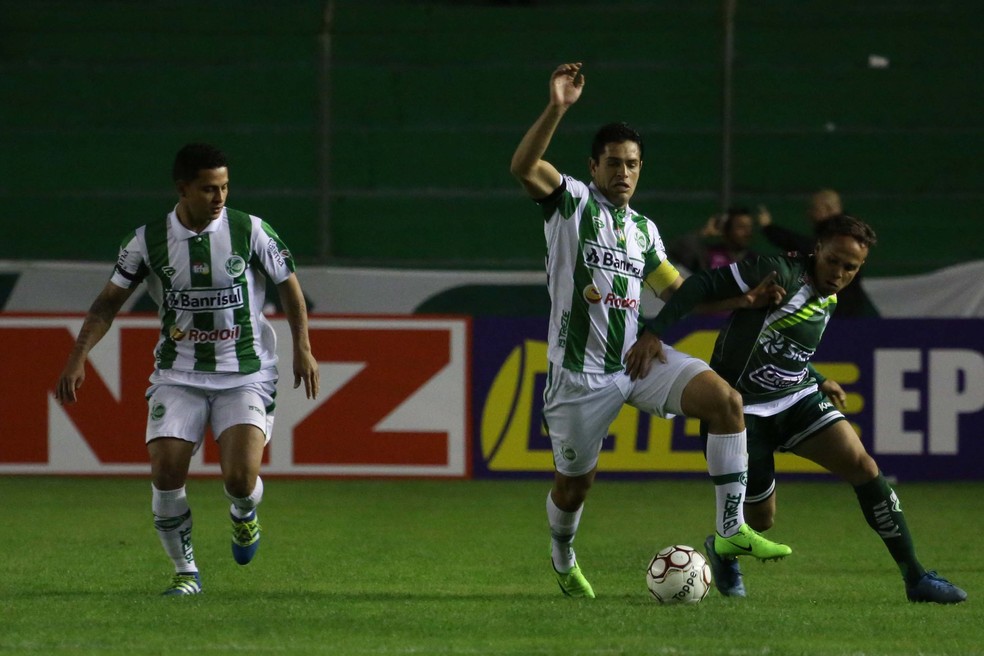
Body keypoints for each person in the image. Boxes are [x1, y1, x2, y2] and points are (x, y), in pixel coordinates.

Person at [509, 62, 792, 599]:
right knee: (574, 487)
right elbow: (524, 165)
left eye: (632, 164)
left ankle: (730, 532)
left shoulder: (644, 230)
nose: (624, 171)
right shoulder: (569, 202)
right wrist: (558, 108)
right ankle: (563, 554)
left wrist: (743, 299)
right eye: (613, 163)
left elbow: (676, 291)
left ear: (641, 170)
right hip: (579, 377)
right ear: (593, 166)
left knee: (726, 402)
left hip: (636, 360)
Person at [642, 213, 967, 604]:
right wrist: (654, 333)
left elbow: (785, 345)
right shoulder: (776, 272)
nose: (839, 272)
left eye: (851, 267)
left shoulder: (829, 294)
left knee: (864, 467)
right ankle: (724, 546)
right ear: (818, 250)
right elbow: (698, 286)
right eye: (833, 260)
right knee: (762, 520)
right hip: (742, 413)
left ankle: (916, 578)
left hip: (797, 399)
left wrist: (816, 377)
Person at [55, 143, 320, 596]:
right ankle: (186, 573)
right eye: (209, 189)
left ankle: (244, 513)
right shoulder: (146, 241)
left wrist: (304, 348)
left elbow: (291, 290)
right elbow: (106, 304)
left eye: (225, 187)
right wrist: (79, 355)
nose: (220, 197)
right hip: (178, 374)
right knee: (166, 469)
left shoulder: (250, 230)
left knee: (239, 479)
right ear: (183, 189)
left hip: (245, 373)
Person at [757, 189, 878, 317]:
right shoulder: (843, 231)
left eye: (814, 208)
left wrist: (770, 229)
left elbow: (805, 246)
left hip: (841, 312)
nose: (809, 213)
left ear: (828, 208)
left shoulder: (840, 233)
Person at [670, 207, 757, 273]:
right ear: (727, 230)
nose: (747, 232)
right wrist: (704, 232)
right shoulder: (709, 254)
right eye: (741, 227)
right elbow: (676, 251)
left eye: (750, 227)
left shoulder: (755, 261)